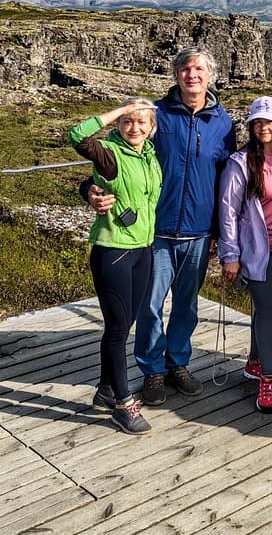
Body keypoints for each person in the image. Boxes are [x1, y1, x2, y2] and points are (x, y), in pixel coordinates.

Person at [86, 47, 236, 408]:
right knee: (151, 305)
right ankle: (152, 370)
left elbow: (226, 178)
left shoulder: (223, 122)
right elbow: (116, 156)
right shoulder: (155, 115)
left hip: (199, 232)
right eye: (185, 68)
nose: (192, 74)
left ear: (210, 75)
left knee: (186, 304)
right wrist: (88, 190)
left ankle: (178, 364)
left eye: (199, 68)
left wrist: (219, 232)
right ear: (176, 75)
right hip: (155, 230)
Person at [70, 98, 162, 435]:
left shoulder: (149, 155)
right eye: (127, 122)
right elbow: (79, 136)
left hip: (143, 249)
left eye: (141, 122)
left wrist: (87, 189)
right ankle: (123, 404)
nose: (134, 127)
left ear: (151, 128)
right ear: (119, 125)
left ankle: (105, 391)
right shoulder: (110, 154)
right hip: (114, 251)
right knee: (118, 329)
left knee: (126, 322)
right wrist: (117, 111)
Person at [217, 96, 272, 414]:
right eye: (257, 121)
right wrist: (230, 255)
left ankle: (254, 361)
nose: (263, 126)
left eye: (269, 120)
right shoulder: (240, 163)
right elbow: (227, 211)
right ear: (251, 125)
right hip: (255, 252)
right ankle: (268, 376)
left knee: (265, 310)